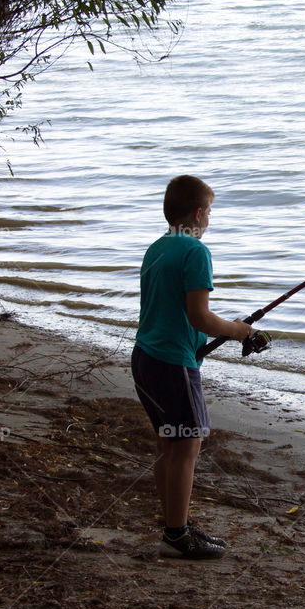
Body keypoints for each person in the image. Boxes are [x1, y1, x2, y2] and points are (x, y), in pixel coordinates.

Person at [131, 175, 252, 560]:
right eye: (210, 211)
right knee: (187, 446)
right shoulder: (196, 252)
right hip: (170, 364)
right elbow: (199, 316)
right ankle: (177, 535)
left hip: (146, 358)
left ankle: (173, 524)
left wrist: (199, 345)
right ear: (199, 213)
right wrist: (239, 331)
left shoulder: (157, 248)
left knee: (169, 445)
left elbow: (169, 313)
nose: (210, 219)